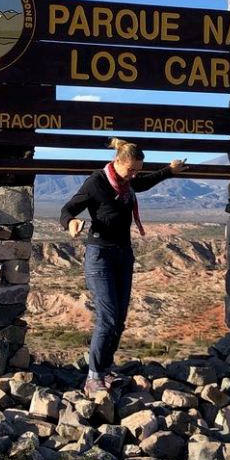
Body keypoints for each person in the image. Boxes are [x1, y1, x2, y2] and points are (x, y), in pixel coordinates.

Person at [60, 138, 187, 396]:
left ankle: (106, 370)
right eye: (130, 170)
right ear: (117, 162)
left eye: (136, 170)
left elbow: (144, 182)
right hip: (100, 256)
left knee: (119, 319)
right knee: (107, 319)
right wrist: (71, 224)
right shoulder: (96, 182)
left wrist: (170, 171)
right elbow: (67, 209)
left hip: (123, 255)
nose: (134, 175)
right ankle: (93, 377)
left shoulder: (128, 183)